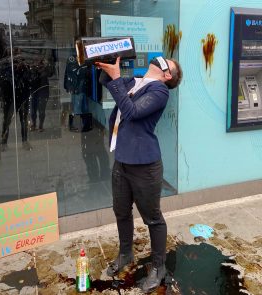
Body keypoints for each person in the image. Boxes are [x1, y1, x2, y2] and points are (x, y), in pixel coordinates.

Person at [96, 56, 182, 293]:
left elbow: (131, 112)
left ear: (167, 75)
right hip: (122, 162)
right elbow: (107, 80)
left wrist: (115, 78)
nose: (162, 59)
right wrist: (103, 63)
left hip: (145, 166)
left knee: (152, 218)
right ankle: (125, 254)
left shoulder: (160, 91)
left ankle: (158, 267)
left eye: (168, 63)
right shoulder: (136, 82)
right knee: (121, 211)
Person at [30, 58, 54, 132]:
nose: (38, 64)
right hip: (34, 92)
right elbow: (29, 78)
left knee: (41, 110)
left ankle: (40, 125)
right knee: (33, 110)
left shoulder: (45, 70)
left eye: (40, 62)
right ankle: (34, 124)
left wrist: (47, 66)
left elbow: (51, 73)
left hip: (43, 92)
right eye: (36, 62)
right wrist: (33, 68)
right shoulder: (32, 70)